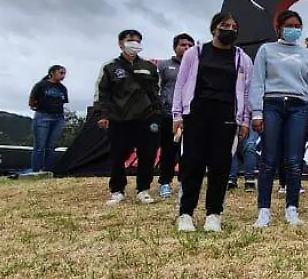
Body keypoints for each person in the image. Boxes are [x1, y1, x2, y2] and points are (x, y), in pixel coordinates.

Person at [170, 14, 253, 232]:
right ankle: (185, 213)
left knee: (220, 166)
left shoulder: (242, 59)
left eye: (234, 27)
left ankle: (213, 214)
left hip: (226, 116)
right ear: (213, 28)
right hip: (196, 114)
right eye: (225, 26)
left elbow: (247, 91)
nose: (230, 29)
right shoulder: (195, 53)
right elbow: (180, 85)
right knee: (192, 165)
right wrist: (177, 116)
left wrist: (245, 120)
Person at [250, 10, 308, 228]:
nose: (294, 30)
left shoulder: (307, 55)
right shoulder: (266, 50)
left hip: (299, 106)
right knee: (269, 159)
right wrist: (257, 112)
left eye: (297, 26)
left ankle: (292, 208)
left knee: (293, 160)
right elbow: (257, 81)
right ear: (279, 27)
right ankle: (264, 210)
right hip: (272, 103)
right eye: (289, 25)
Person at [93, 29, 162, 205]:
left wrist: (157, 113)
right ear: (121, 43)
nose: (135, 43)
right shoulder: (110, 67)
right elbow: (103, 93)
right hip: (119, 118)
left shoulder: (149, 67)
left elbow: (156, 92)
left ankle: (143, 190)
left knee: (147, 155)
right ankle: (117, 190)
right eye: (131, 40)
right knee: (117, 155)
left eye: (138, 40)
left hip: (146, 118)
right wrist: (102, 115)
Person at [155, 34, 194, 198]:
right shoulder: (164, 66)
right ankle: (165, 182)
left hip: (191, 116)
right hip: (168, 115)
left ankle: (185, 182)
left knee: (189, 152)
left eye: (189, 45)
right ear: (175, 47)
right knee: (169, 150)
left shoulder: (196, 67)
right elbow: (157, 89)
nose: (186, 48)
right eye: (183, 45)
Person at [28, 64, 68, 173]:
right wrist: (39, 107)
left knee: (51, 146)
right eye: (61, 73)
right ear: (52, 73)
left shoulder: (62, 88)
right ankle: (36, 171)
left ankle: (48, 170)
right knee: (40, 146)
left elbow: (63, 102)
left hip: (58, 117)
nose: (63, 75)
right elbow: (32, 101)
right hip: (43, 116)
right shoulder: (41, 85)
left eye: (64, 73)